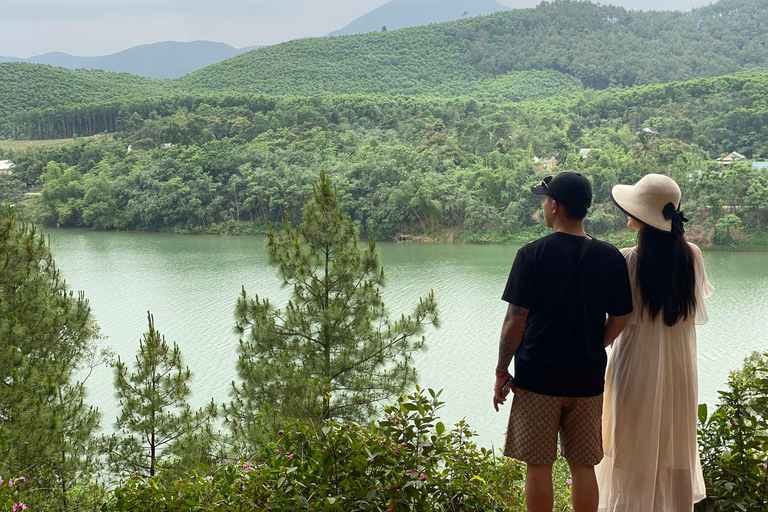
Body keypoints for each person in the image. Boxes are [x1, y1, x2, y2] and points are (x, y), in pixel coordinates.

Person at [494, 172, 633, 512]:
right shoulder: (610, 256)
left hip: (538, 378)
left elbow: (516, 320)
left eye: (545, 200)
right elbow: (621, 318)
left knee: (538, 464)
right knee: (583, 465)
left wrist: (501, 370)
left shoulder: (531, 254)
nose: (544, 206)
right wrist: (593, 344)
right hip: (586, 380)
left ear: (554, 206)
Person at [595, 174, 714, 511]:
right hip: (679, 371)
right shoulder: (692, 256)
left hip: (635, 366)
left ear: (645, 215)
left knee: (631, 451)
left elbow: (614, 322)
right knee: (672, 447)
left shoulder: (629, 259)